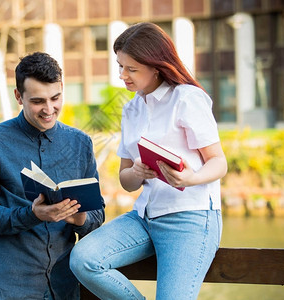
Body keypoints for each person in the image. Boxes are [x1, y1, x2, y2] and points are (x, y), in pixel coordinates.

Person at [70, 22, 227, 300]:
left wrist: (190, 178)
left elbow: (219, 163)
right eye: (120, 66)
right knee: (83, 259)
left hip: (190, 218)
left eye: (131, 69)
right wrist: (139, 171)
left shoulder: (187, 99)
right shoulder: (131, 109)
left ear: (155, 66)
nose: (122, 75)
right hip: (144, 218)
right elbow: (126, 181)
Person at [0, 52, 105, 300]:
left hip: (63, 288)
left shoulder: (81, 143)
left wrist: (79, 218)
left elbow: (98, 214)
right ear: (18, 96)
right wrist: (32, 214)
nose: (49, 109)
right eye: (38, 101)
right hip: (4, 289)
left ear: (62, 88)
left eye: (55, 98)